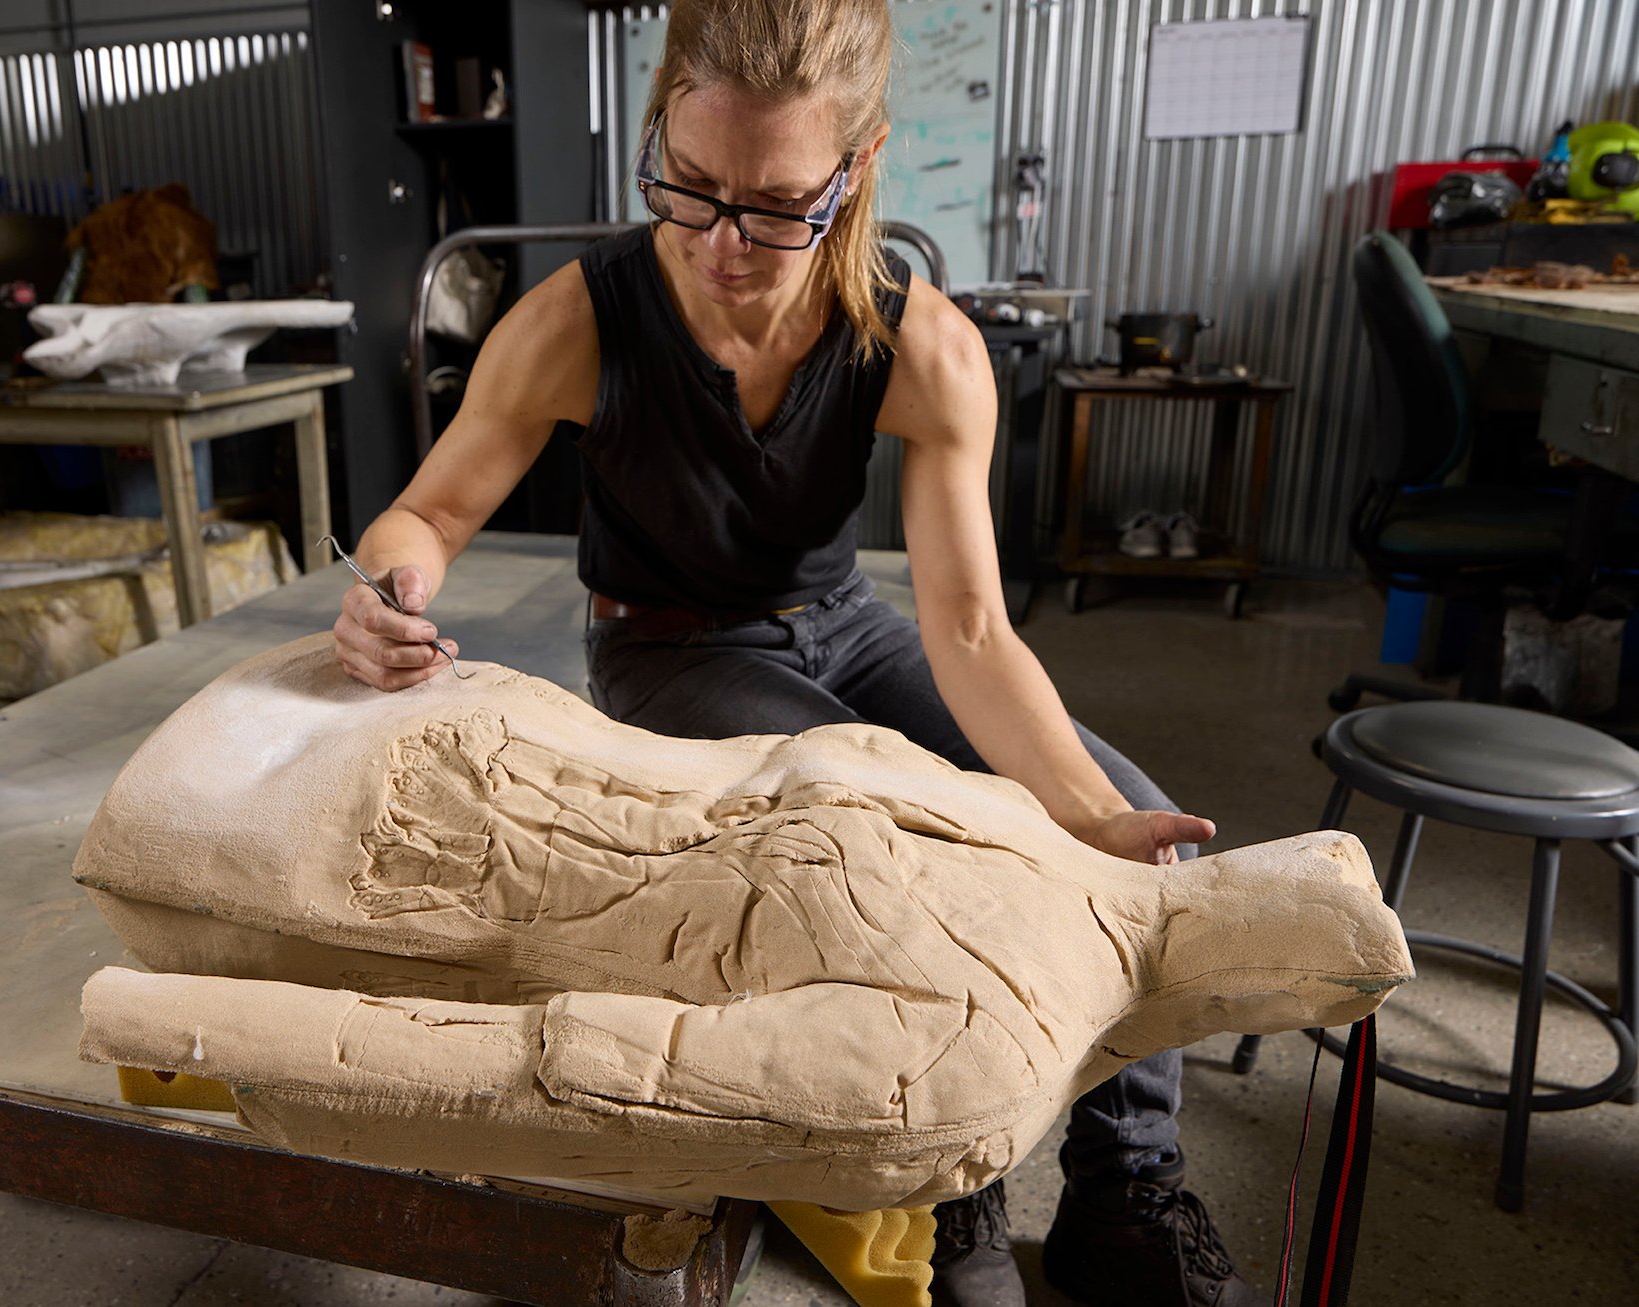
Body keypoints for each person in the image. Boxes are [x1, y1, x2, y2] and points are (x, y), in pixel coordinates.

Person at [332, 3, 1260, 1303]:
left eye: (773, 206)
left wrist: (1090, 813)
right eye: (690, 186)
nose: (719, 243)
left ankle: (1125, 1188)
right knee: (893, 831)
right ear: (661, 122)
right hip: (666, 650)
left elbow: (974, 630)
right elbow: (428, 511)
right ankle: (957, 1197)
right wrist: (394, 587)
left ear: (858, 165)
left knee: (1143, 826)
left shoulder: (918, 344)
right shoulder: (580, 321)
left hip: (846, 626)